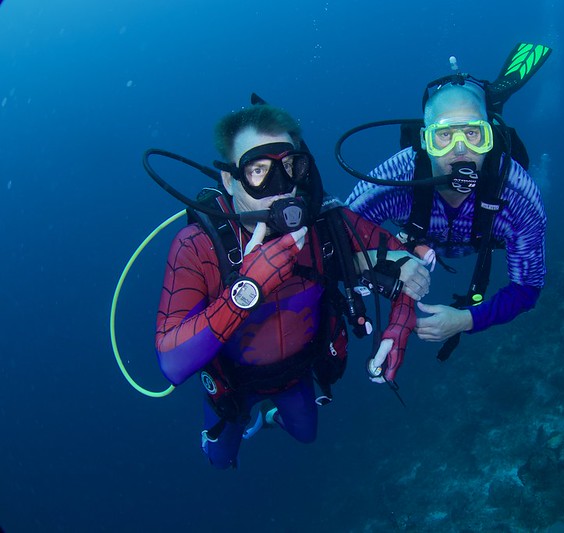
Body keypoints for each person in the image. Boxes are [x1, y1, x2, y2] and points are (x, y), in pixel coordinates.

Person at [155, 100, 419, 469]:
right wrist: (249, 286)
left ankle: (267, 419)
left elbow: (405, 261)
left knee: (306, 433)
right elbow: (172, 362)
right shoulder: (196, 246)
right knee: (220, 459)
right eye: (259, 171)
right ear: (230, 180)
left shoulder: (327, 225)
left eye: (290, 167)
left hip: (294, 374)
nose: (281, 188)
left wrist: (400, 324)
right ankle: (239, 424)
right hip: (232, 382)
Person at [346, 57, 547, 359]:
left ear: (489, 140)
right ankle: (482, 103)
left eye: (473, 133)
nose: (461, 150)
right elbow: (335, 237)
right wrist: (376, 259)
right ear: (425, 141)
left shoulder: (518, 194)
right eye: (444, 136)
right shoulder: (395, 179)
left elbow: (528, 288)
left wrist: (467, 320)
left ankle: (489, 99)